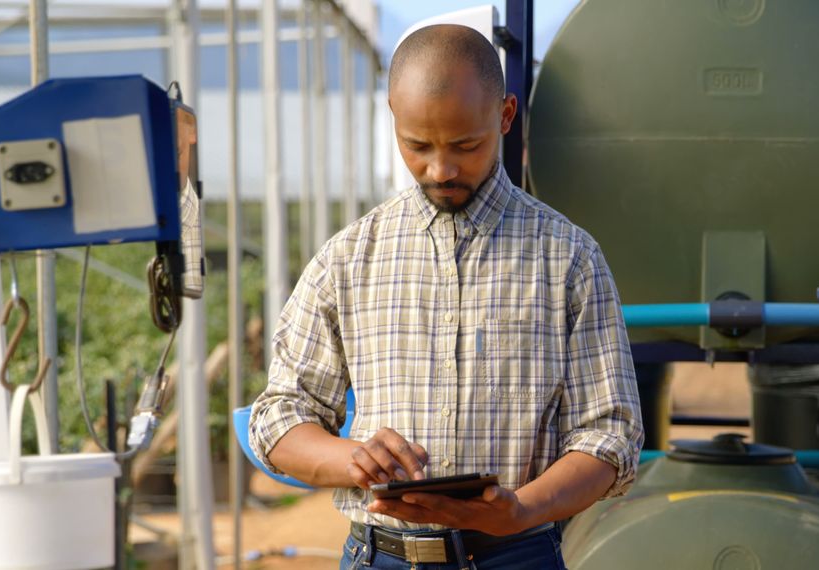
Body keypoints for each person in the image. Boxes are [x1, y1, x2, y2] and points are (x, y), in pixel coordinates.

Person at [249, 23, 643, 570]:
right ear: (392, 114)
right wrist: (355, 458)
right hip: (378, 556)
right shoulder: (346, 259)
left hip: (517, 555)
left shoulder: (568, 259)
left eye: (465, 145)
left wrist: (522, 509)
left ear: (505, 118)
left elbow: (611, 436)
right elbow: (278, 418)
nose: (440, 169)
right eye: (417, 145)